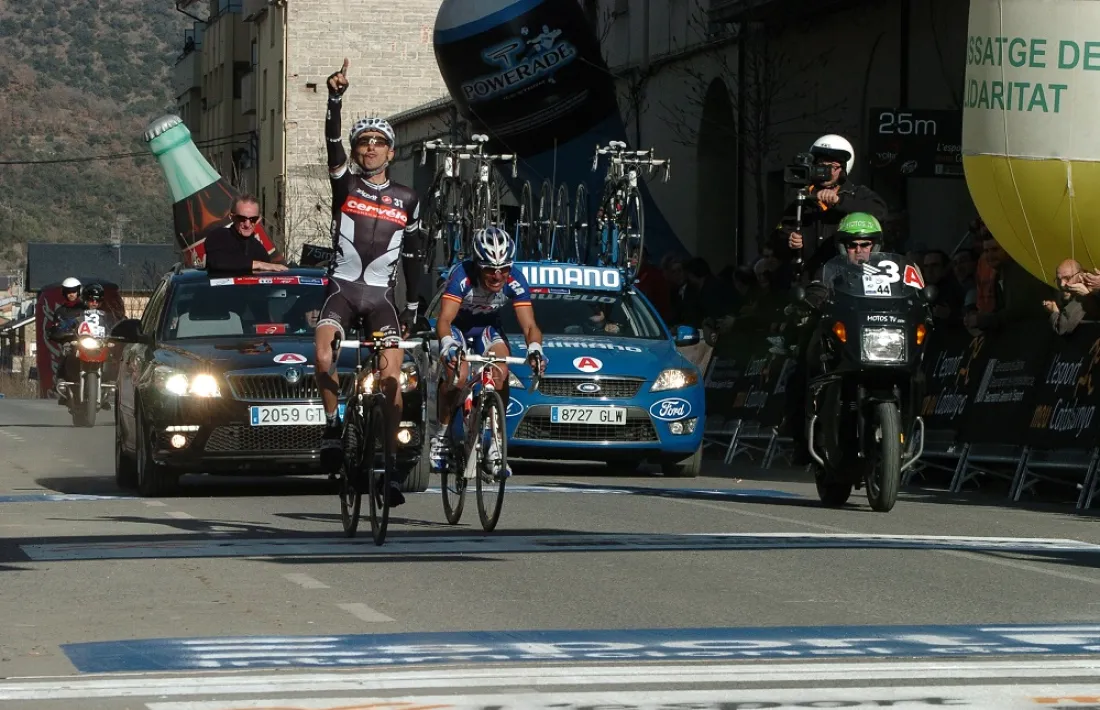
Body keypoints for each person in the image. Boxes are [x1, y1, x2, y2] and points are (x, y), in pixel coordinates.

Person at [314, 57, 425, 507]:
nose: (371, 148)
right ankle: (333, 426)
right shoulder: (347, 188)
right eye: (365, 143)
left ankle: (391, 468)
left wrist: (414, 306)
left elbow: (415, 255)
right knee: (322, 354)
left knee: (393, 382)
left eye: (379, 143)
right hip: (342, 293)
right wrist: (335, 100)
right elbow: (331, 143)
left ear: (391, 152)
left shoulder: (408, 198)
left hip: (381, 300)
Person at [432, 227, 547, 478]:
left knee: (500, 372)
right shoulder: (461, 276)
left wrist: (536, 350)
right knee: (458, 375)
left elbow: (529, 326)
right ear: (477, 265)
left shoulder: (516, 279)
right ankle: (440, 434)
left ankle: (495, 443)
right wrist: (449, 345)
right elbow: (444, 321)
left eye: (504, 268)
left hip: (486, 328)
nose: (497, 276)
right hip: (457, 327)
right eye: (489, 269)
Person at [782, 212, 886, 464]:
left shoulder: (891, 271)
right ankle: (801, 440)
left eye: (865, 244)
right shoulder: (830, 270)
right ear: (843, 247)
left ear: (876, 245)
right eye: (852, 245)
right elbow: (817, 289)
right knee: (801, 367)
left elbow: (912, 292)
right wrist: (809, 300)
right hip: (842, 342)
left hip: (881, 343)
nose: (859, 251)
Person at [770, 135, 888, 282]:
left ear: (843, 168)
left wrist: (839, 201)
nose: (826, 171)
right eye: (821, 165)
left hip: (848, 278)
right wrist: (789, 239)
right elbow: (779, 234)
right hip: (809, 279)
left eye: (832, 166)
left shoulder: (857, 193)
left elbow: (880, 211)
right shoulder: (803, 197)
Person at [203, 194, 288, 273]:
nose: (247, 224)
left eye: (253, 219)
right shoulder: (218, 236)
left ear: (258, 219)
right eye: (242, 218)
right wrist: (258, 264)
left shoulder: (258, 247)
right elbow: (217, 262)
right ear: (232, 217)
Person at [47, 277, 85, 404]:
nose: (71, 294)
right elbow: (55, 327)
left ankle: (104, 387)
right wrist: (55, 332)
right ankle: (61, 384)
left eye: (74, 291)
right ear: (64, 292)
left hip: (87, 340)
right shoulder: (60, 311)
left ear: (79, 291)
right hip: (70, 342)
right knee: (65, 353)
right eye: (69, 291)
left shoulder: (86, 309)